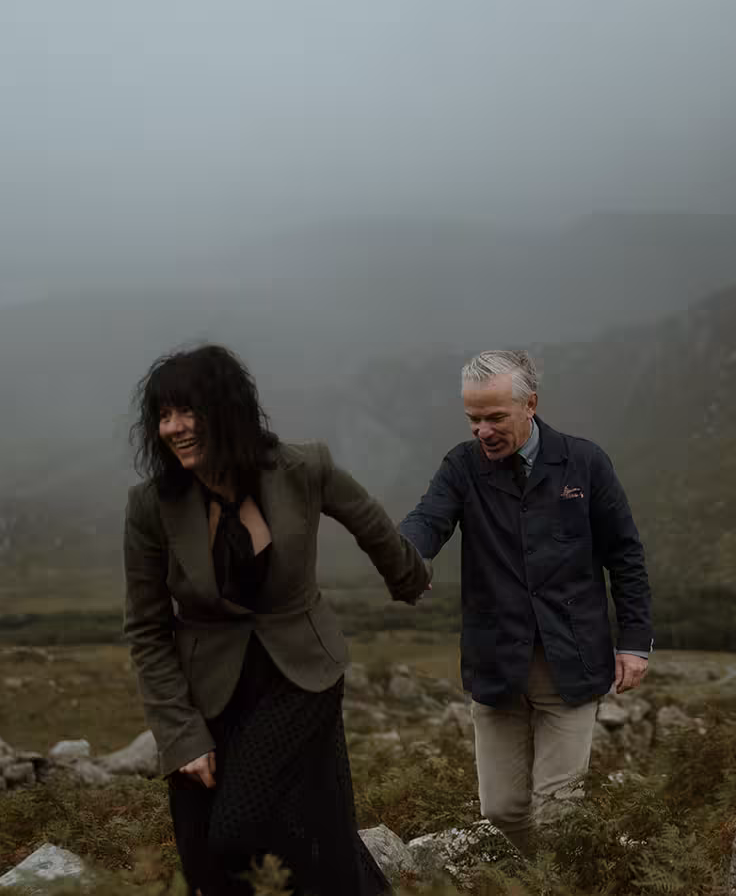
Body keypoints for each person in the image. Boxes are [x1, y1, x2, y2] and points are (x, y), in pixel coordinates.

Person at [123, 344, 430, 896]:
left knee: (238, 829)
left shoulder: (301, 467)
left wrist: (410, 578)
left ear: (226, 408)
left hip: (300, 676)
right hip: (206, 693)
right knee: (208, 861)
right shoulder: (151, 505)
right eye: (163, 415)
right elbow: (146, 630)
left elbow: (369, 522)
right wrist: (181, 735)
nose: (173, 427)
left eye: (186, 411)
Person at [398, 349, 652, 853]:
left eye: (495, 417)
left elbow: (625, 556)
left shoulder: (585, 462)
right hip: (496, 663)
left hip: (573, 661)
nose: (482, 431)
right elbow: (428, 519)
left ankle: (559, 880)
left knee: (558, 813)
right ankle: (562, 870)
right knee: (502, 809)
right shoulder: (462, 466)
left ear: (530, 404)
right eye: (473, 418)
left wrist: (634, 642)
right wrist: (404, 558)